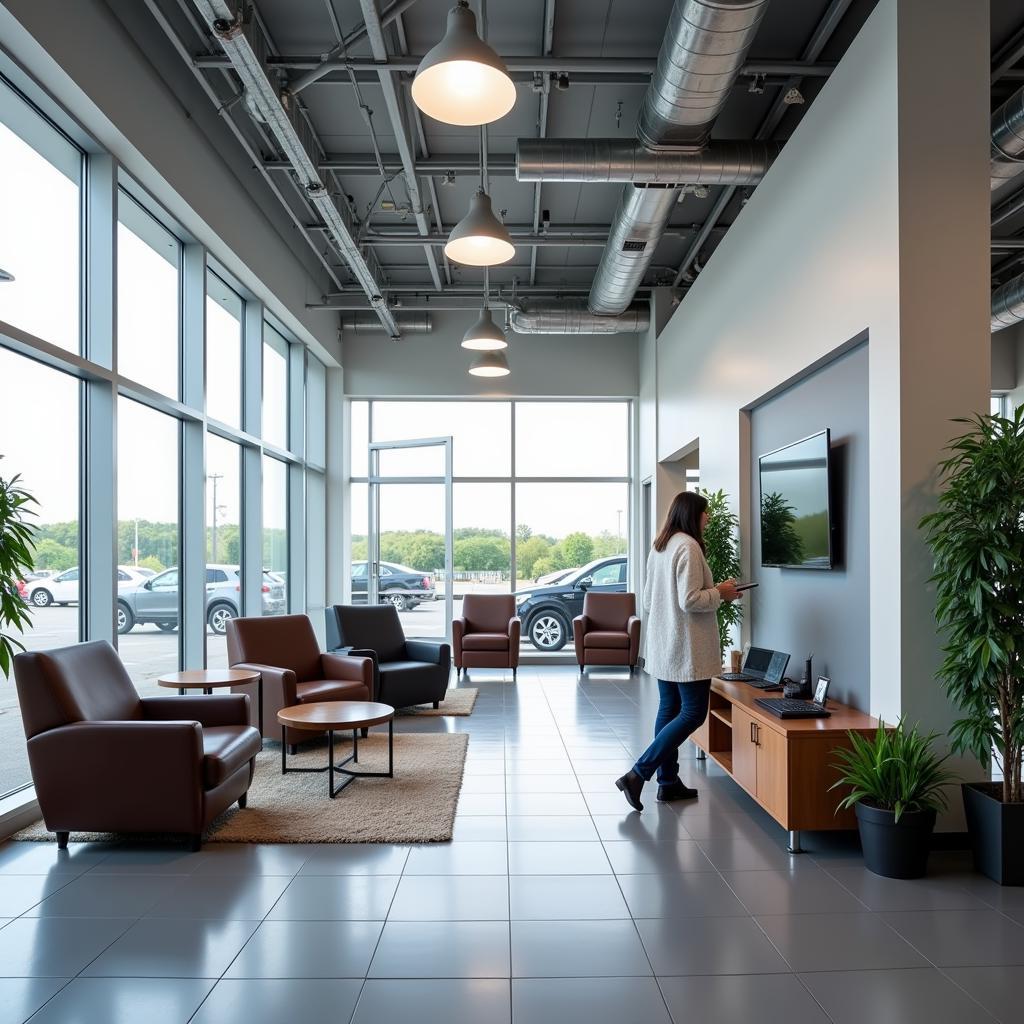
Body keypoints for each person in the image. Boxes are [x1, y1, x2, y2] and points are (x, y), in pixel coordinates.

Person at [615, 491, 740, 812]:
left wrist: (714, 592)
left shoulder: (661, 547)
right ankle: (639, 773)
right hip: (687, 648)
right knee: (693, 713)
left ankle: (668, 783)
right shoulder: (688, 546)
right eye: (705, 513)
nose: (708, 518)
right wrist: (721, 593)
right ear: (691, 514)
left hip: (663, 644)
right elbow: (691, 600)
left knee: (669, 709)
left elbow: (647, 600)